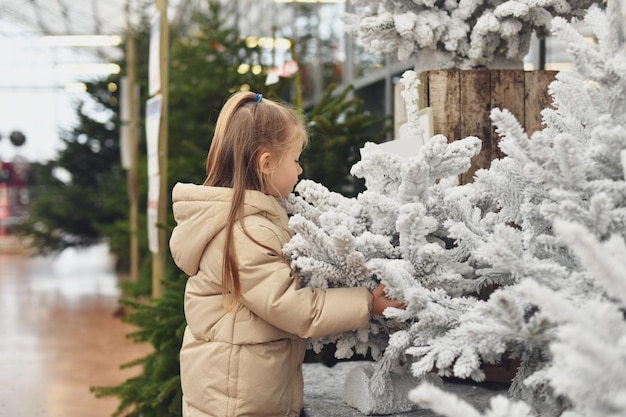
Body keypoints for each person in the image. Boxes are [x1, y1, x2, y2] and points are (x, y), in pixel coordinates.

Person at [169, 91, 404, 417]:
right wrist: (368, 302)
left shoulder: (251, 220)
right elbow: (291, 307)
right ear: (266, 163)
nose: (300, 168)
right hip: (237, 396)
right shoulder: (245, 232)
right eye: (294, 159)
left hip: (240, 384)